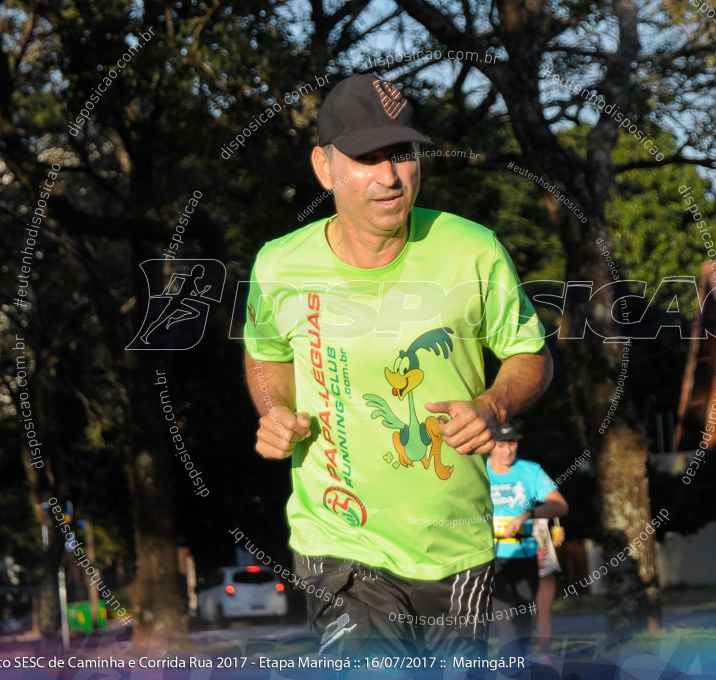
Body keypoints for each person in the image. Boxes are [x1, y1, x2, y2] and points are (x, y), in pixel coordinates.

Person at [243, 73, 552, 659]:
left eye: (402, 156)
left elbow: (528, 353)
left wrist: (493, 404)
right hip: (338, 539)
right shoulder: (280, 265)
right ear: (324, 167)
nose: (388, 178)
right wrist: (274, 409)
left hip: (454, 546)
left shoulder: (473, 249)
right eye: (366, 158)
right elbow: (266, 352)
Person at [487, 423, 567, 660]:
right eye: (501, 444)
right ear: (490, 445)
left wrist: (528, 514)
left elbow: (560, 505)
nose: (508, 450)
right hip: (493, 559)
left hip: (526, 557)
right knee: (508, 623)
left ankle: (520, 671)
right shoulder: (480, 473)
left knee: (522, 627)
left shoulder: (530, 471)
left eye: (512, 443)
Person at [533, 516, 564, 662]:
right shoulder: (511, 513)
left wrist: (556, 540)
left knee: (545, 614)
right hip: (524, 570)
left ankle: (544, 655)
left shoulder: (542, 516)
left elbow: (558, 508)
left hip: (546, 570)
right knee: (527, 615)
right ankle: (522, 653)